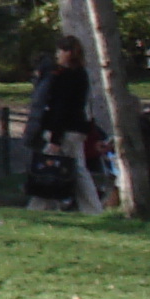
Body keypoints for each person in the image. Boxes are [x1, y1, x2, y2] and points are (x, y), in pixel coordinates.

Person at [27, 37, 106, 212]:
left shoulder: (66, 77)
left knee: (58, 167)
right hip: (75, 128)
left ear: (68, 53)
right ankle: (47, 205)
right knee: (70, 167)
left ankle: (40, 206)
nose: (58, 55)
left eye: (60, 51)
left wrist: (55, 137)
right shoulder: (80, 74)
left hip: (65, 130)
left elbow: (61, 108)